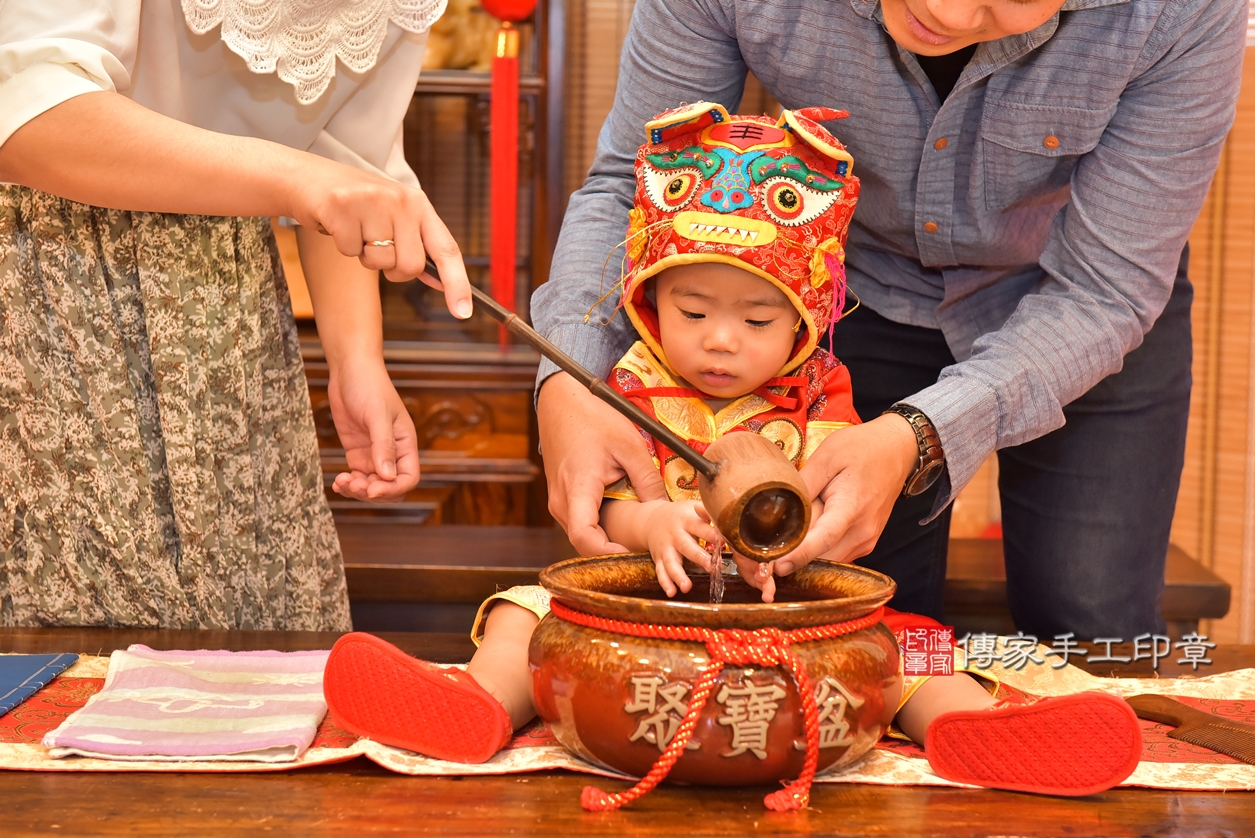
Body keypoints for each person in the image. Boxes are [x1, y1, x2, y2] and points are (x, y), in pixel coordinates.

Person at [321, 107, 1143, 797]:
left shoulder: (818, 391)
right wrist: (648, 526)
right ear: (645, 302)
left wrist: (807, 534)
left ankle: (972, 733)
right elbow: (606, 505)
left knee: (913, 642)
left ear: (805, 317)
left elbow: (830, 499)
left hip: (785, 611)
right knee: (520, 613)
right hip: (644, 611)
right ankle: (477, 707)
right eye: (690, 310)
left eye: (755, 322)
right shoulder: (630, 382)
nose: (719, 342)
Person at [531, 0, 1248, 640]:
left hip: (1080, 306)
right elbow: (633, 181)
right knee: (864, 612)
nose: (950, 13)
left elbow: (1105, 289)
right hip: (846, 299)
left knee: (1091, 616)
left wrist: (918, 436)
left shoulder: (1182, 11)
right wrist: (567, 378)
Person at [0, 1, 472, 629]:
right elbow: (30, 111)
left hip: (232, 320)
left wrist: (357, 359)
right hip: (47, 290)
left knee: (249, 622)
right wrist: (296, 178)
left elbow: (349, 166)